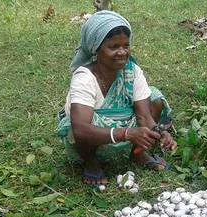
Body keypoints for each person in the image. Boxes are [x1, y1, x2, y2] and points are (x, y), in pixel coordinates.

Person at [57, 11, 177, 188]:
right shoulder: (85, 77)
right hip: (93, 133)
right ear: (96, 49)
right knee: (79, 124)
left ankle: (138, 154)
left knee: (154, 99)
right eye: (113, 47)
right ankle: (91, 161)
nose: (122, 52)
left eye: (125, 46)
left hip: (122, 125)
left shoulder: (132, 71)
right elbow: (80, 129)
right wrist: (127, 133)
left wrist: (159, 132)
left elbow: (144, 116)